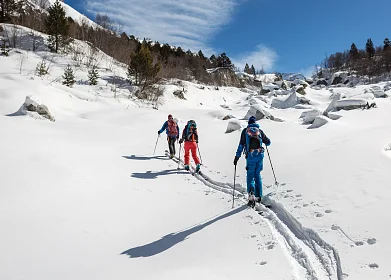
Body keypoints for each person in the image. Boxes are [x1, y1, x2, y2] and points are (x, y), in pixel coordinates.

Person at [233, 116, 271, 205]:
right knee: (257, 174)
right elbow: (268, 142)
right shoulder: (260, 131)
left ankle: (251, 194)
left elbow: (241, 146)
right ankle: (259, 196)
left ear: (249, 123)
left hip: (250, 156)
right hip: (260, 156)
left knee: (250, 175)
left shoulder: (245, 131)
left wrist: (237, 157)